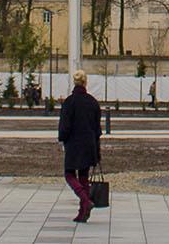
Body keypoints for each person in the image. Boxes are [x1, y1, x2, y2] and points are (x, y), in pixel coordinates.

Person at [58, 69, 102, 223]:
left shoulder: (69, 102)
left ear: (74, 82)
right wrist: (97, 151)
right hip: (89, 144)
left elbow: (65, 127)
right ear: (85, 82)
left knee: (69, 174)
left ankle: (85, 200)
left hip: (73, 144)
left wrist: (62, 139)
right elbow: (97, 130)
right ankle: (83, 212)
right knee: (83, 176)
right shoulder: (93, 102)